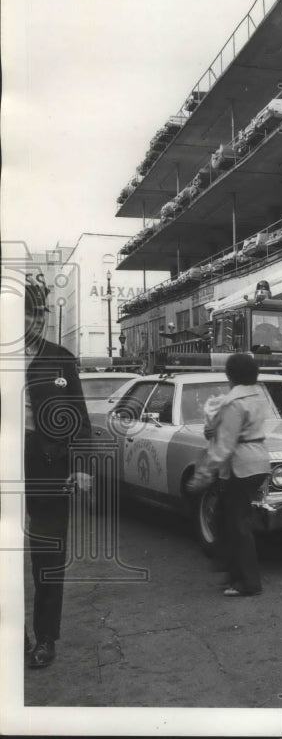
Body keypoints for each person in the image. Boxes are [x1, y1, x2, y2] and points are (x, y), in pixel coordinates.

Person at [24, 278, 93, 669]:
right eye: (22, 313)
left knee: (47, 560)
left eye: (36, 313)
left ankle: (46, 638)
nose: (30, 322)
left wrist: (81, 467)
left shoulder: (60, 358)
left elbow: (79, 420)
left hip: (50, 470)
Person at [199, 353, 271, 596]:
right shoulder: (258, 396)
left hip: (241, 465)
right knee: (227, 518)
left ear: (230, 375)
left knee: (237, 524)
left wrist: (205, 471)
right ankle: (232, 574)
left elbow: (226, 443)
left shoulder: (232, 402)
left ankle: (247, 583)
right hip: (259, 461)